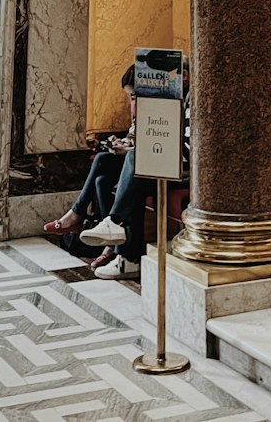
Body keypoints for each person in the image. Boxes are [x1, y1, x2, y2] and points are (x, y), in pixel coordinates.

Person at [80, 58, 190, 279]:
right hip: (170, 164)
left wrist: (144, 148)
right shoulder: (166, 102)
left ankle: (119, 239)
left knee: (135, 160)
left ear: (184, 77)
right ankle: (120, 248)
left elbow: (189, 151)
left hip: (187, 171)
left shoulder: (192, 101)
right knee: (105, 174)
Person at [43, 65, 136, 270]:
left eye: (135, 97)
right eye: (130, 98)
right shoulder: (139, 113)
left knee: (101, 160)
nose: (132, 103)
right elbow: (133, 139)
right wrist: (120, 143)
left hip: (144, 163)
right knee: (101, 181)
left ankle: (76, 214)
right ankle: (109, 245)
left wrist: (127, 150)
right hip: (133, 159)